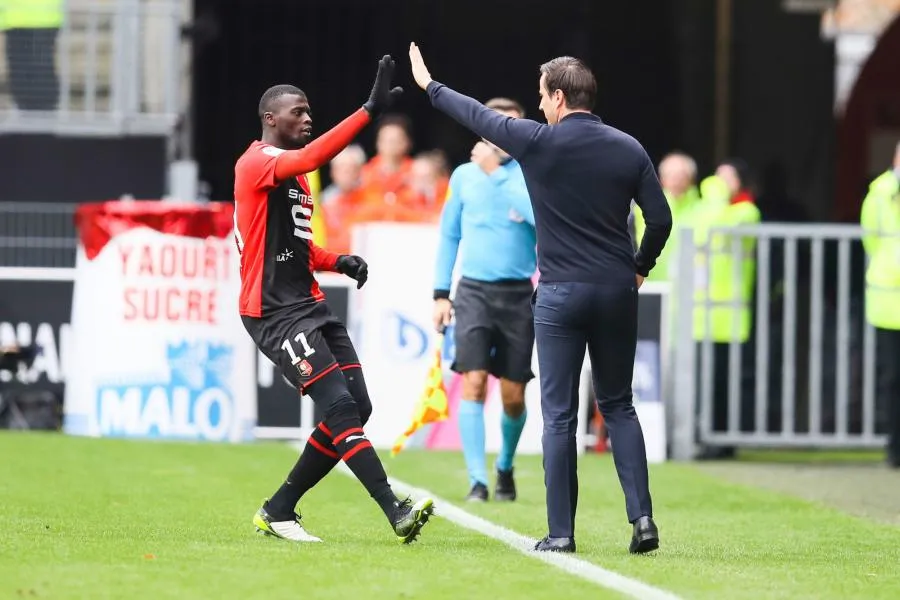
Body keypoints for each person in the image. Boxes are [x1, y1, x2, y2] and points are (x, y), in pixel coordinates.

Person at [409, 43, 672, 554]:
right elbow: (659, 220)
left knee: (559, 416)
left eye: (543, 98)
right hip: (617, 290)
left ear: (557, 97)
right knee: (619, 407)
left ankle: (561, 533)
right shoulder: (628, 147)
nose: (542, 107)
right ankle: (642, 521)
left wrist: (429, 86)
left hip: (558, 295)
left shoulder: (537, 141)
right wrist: (641, 267)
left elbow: (476, 115)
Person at [233, 55, 433, 545]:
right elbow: (311, 157)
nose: (307, 119)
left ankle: (279, 509)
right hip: (273, 312)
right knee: (340, 406)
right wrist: (368, 111)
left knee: (356, 406)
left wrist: (336, 260)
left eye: (309, 113)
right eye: (297, 113)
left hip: (308, 303)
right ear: (270, 119)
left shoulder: (294, 179)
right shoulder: (258, 161)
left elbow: (296, 247)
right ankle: (394, 508)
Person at [432, 97, 536, 503]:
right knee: (472, 381)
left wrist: (497, 174)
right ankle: (477, 479)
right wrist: (441, 292)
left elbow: (538, 217)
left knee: (513, 394)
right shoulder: (462, 176)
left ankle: (505, 466)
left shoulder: (530, 173)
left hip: (518, 294)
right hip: (473, 290)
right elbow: (449, 235)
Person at [859, 141, 900, 468]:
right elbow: (870, 237)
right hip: (889, 301)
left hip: (887, 295)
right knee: (892, 380)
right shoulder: (880, 193)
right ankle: (894, 447)